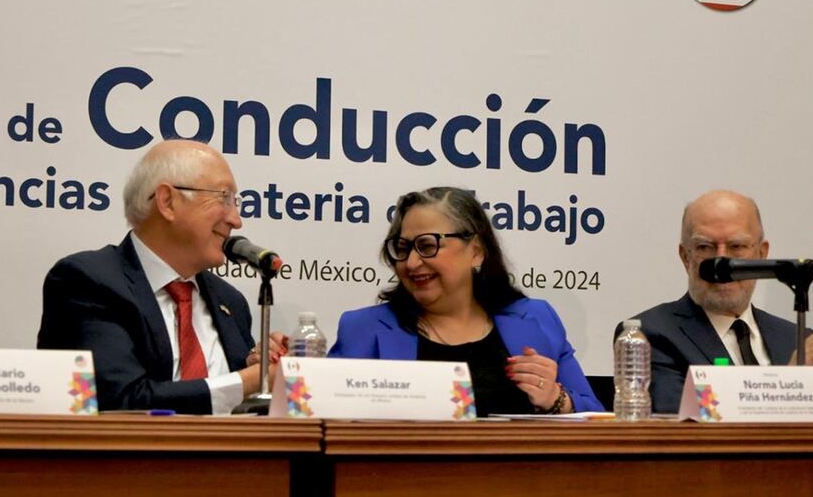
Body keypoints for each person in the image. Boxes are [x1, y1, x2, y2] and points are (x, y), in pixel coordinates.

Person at [37, 139, 285, 413]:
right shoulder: (87, 281)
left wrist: (263, 370)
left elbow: (236, 405)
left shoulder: (230, 301)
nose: (236, 220)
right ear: (167, 201)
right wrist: (246, 381)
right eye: (224, 198)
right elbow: (118, 401)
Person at [329, 186, 602, 416]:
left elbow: (598, 420)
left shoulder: (537, 318)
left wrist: (556, 398)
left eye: (427, 246)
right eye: (403, 249)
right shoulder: (363, 329)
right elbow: (320, 419)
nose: (411, 263)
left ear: (476, 251)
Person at [624, 189, 813, 413]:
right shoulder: (651, 334)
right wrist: (791, 380)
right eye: (705, 247)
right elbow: (679, 423)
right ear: (685, 257)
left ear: (762, 253)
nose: (722, 262)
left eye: (737, 246)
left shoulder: (796, 338)